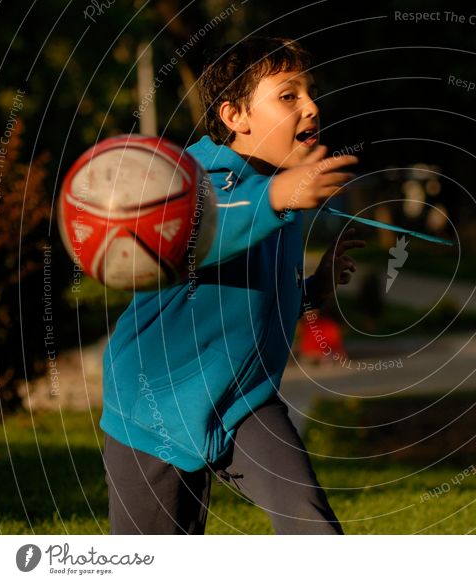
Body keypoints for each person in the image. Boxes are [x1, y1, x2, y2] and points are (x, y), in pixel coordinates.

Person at [100, 36, 364, 535]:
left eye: (310, 92)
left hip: (244, 404)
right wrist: (281, 196)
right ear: (234, 116)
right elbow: (199, 230)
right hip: (153, 406)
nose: (311, 106)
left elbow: (245, 293)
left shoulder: (278, 190)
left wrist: (313, 288)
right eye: (289, 96)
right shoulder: (192, 182)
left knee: (313, 528)